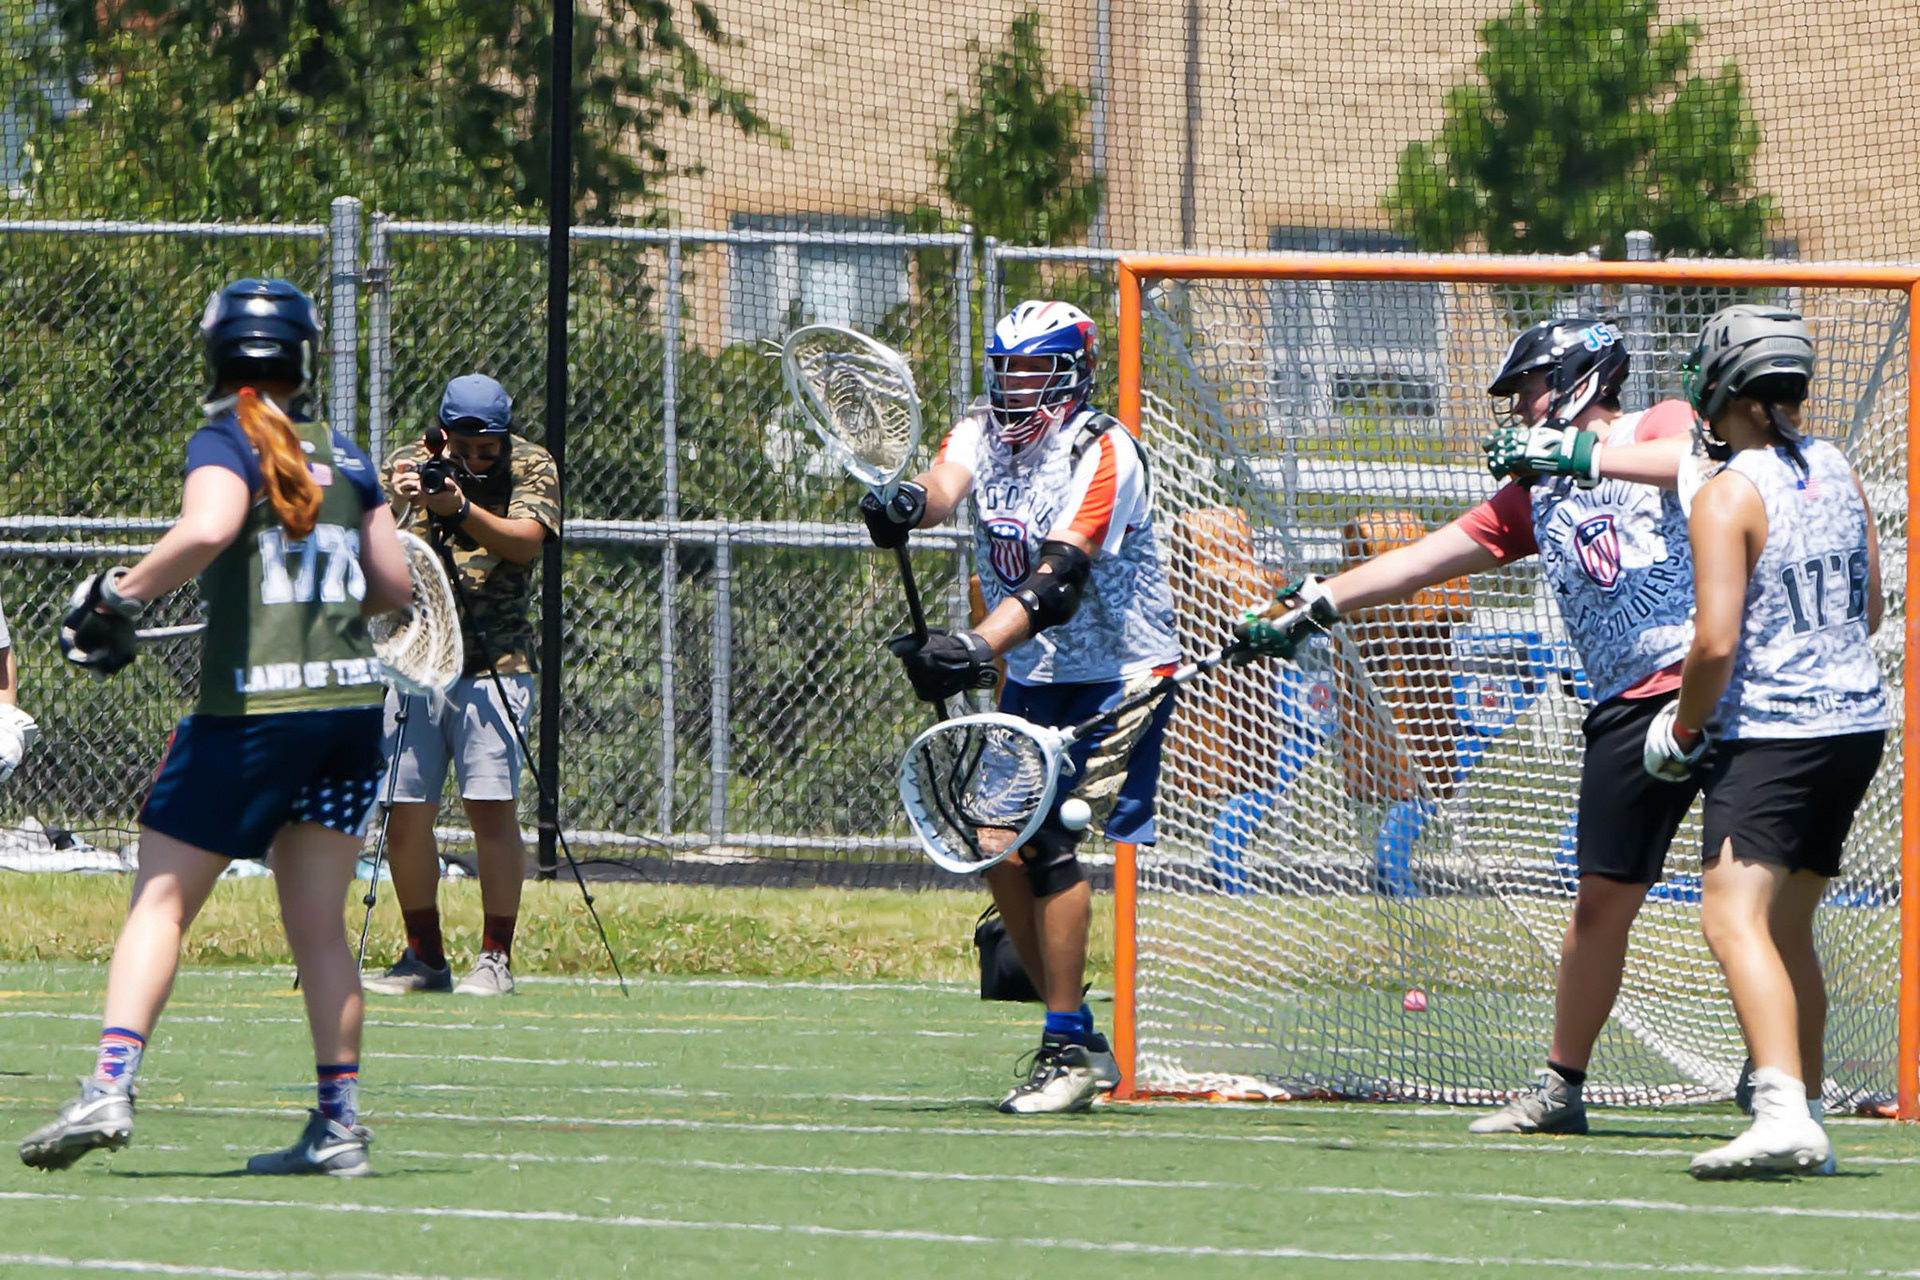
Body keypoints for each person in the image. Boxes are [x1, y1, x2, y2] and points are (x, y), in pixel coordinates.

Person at [1239, 316, 1705, 1135]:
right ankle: (1561, 1088)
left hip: (1713, 682)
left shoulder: (1653, 424)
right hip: (1628, 706)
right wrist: (1320, 601)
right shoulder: (1537, 493)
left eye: (1528, 389)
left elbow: (1700, 460)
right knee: (1599, 902)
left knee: (1741, 897)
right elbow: (1423, 559)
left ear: (1578, 380)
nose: (1519, 408)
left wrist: (1582, 453)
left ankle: (1780, 1076)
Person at [17, 278, 412, 1176]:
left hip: (253, 716)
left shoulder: (227, 436)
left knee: (160, 900)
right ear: (303, 358)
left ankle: (110, 1084)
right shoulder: (348, 453)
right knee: (319, 927)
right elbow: (392, 587)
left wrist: (117, 594)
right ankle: (339, 1125)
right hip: (350, 715)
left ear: (218, 354)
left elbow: (210, 526)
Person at [866, 300, 1183, 1114]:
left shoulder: (1102, 449)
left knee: (1050, 836)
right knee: (995, 845)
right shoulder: (980, 429)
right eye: (1007, 370)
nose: (1016, 386)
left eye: (1035, 370)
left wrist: (976, 646)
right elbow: (944, 488)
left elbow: (1059, 578)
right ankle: (1079, 1038)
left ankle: (1064, 1049)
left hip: (1119, 675)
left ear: (1072, 374)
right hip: (1037, 671)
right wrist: (904, 505)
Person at [1643, 305, 1887, 1178]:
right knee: (1787, 928)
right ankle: (1806, 1109)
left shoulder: (1728, 493)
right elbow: (1869, 608)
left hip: (1776, 734)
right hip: (1856, 724)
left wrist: (1682, 728)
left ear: (1723, 389)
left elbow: (1714, 643)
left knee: (1731, 914)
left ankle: (1780, 1110)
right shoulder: (1837, 466)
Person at [363, 374, 559, 997]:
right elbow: (372, 554)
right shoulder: (407, 465)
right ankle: (424, 958)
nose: (475, 460)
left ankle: (495, 959)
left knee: (490, 809)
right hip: (416, 663)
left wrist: (461, 509)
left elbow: (525, 544)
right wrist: (397, 506)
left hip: (495, 663)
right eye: (463, 449)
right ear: (442, 435)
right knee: (403, 812)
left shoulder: (531, 464)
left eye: (486, 450)